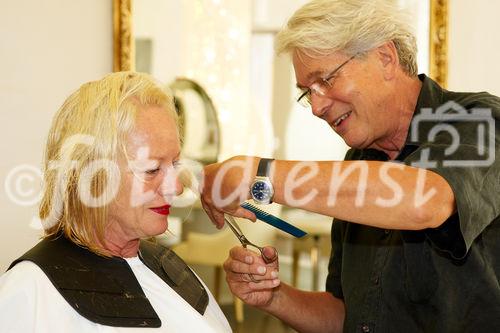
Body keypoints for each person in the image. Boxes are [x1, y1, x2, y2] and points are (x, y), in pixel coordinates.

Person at [200, 0, 500, 332]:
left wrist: (258, 173)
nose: (316, 107)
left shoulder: (477, 120)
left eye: (325, 81)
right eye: (307, 93)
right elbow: (348, 315)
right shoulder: (356, 164)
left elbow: (425, 200)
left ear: (385, 58)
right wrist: (273, 297)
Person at [0, 72, 231, 332]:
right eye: (152, 169)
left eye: (175, 163)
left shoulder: (172, 270)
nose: (176, 187)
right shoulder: (30, 294)